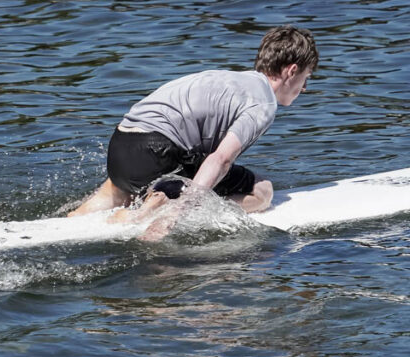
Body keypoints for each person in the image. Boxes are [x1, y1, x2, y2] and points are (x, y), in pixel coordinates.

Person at [68, 24, 318, 219]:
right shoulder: (263, 102)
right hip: (156, 152)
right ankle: (145, 213)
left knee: (128, 185)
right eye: (306, 78)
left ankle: (78, 217)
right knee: (262, 191)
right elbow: (220, 159)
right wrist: (181, 212)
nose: (304, 88)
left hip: (121, 149)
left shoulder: (226, 79)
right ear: (291, 71)